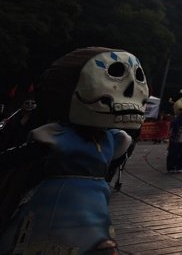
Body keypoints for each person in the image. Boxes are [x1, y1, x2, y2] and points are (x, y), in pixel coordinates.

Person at [0, 48, 148, 254]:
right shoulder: (59, 135)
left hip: (95, 199)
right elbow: (23, 156)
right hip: (64, 200)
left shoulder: (112, 138)